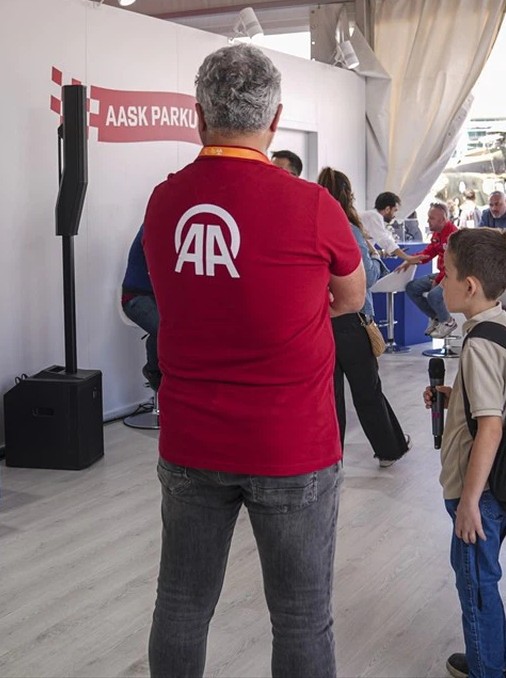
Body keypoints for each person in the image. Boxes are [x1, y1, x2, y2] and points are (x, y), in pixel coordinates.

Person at [143, 44, 365, 678]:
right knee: (300, 617)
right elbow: (349, 299)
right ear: (275, 121)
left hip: (190, 440)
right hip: (289, 443)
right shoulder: (311, 205)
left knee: (181, 605)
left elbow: (174, 294)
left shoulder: (164, 203)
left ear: (197, 115)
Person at [422, 227, 506, 678]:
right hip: (494, 489)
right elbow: (495, 400)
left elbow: (491, 428)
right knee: (484, 578)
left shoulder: (479, 343)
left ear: (469, 286)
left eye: (446, 273)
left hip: (475, 491)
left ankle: (488, 669)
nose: (440, 280)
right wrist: (454, 393)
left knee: (476, 586)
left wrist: (467, 502)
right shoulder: (499, 323)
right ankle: (500, 658)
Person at [317, 168, 410, 466]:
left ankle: (332, 458)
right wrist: (372, 254)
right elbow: (366, 277)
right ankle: (389, 449)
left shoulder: (311, 225)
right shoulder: (349, 229)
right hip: (352, 321)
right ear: (349, 196)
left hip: (321, 321)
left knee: (329, 396)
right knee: (367, 390)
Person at [403, 202, 459, 339]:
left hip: (454, 275)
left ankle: (448, 322)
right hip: (442, 274)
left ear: (442, 219)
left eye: (431, 218)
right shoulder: (436, 234)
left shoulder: (454, 236)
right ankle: (437, 318)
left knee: (434, 295)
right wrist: (410, 259)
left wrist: (439, 281)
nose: (428, 220)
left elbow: (454, 265)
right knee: (411, 287)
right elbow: (428, 254)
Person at [121, 224, 160, 391]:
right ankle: (154, 372)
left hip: (156, 299)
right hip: (135, 298)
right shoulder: (151, 229)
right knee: (167, 331)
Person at [363, 191, 408, 258]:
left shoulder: (373, 216)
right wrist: (407, 257)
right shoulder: (374, 216)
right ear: (387, 209)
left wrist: (386, 253)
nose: (394, 215)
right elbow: (384, 239)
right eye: (395, 210)